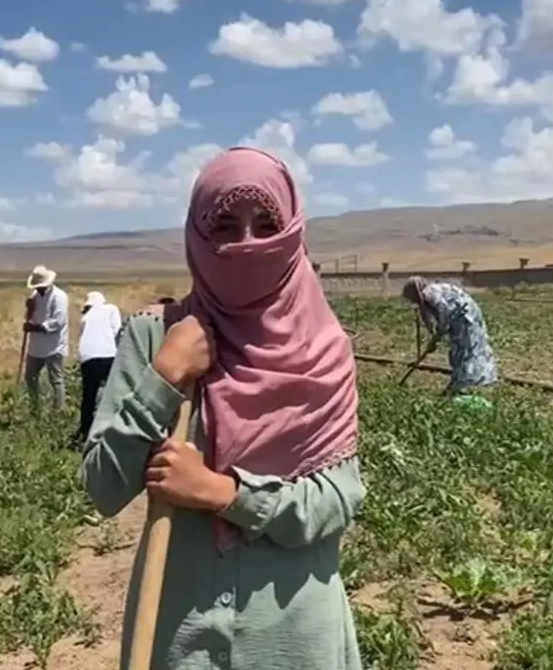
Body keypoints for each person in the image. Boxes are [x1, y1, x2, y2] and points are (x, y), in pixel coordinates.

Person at [82, 147, 366, 669]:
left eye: (266, 225)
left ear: (293, 231)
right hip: (182, 639)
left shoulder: (325, 352)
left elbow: (335, 502)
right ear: (198, 234)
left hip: (294, 641)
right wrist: (164, 379)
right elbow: (103, 487)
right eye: (226, 226)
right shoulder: (155, 337)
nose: (247, 244)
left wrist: (222, 493)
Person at [402, 276, 499, 394]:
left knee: (466, 349)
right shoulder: (430, 293)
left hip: (465, 317)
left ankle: (466, 382)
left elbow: (444, 312)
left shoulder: (430, 293)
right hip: (462, 316)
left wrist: (438, 334)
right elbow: (437, 319)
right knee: (462, 349)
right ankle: (464, 380)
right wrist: (434, 338)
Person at [75, 290, 122, 450]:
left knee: (88, 397)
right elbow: (117, 330)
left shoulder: (85, 317)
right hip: (108, 355)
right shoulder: (111, 309)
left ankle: (85, 432)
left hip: (87, 358)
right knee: (113, 394)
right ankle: (113, 429)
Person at [22, 264, 69, 413]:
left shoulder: (59, 297)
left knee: (56, 379)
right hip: (35, 346)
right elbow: (30, 317)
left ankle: (59, 410)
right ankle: (35, 408)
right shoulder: (34, 296)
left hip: (54, 345)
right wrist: (29, 310)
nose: (37, 289)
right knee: (30, 377)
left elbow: (58, 321)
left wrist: (35, 328)